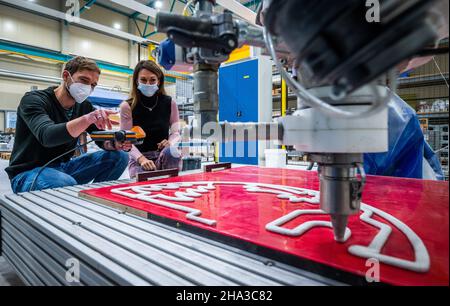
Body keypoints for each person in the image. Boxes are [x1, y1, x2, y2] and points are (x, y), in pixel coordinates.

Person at [5, 56, 130, 193]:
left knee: (120, 156)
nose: (88, 88)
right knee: (64, 182)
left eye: (93, 85)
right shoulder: (34, 100)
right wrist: (87, 119)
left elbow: (99, 138)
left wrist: (114, 144)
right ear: (66, 76)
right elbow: (47, 135)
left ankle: (95, 197)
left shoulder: (84, 106)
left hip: (63, 168)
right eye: (84, 80)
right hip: (27, 173)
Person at [120, 60, 181, 179]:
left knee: (172, 152)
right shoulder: (127, 106)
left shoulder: (170, 103)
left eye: (152, 80)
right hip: (139, 158)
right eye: (143, 80)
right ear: (136, 81)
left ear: (159, 81)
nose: (148, 83)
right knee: (144, 187)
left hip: (164, 155)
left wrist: (170, 142)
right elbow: (126, 142)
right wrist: (142, 159)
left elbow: (176, 133)